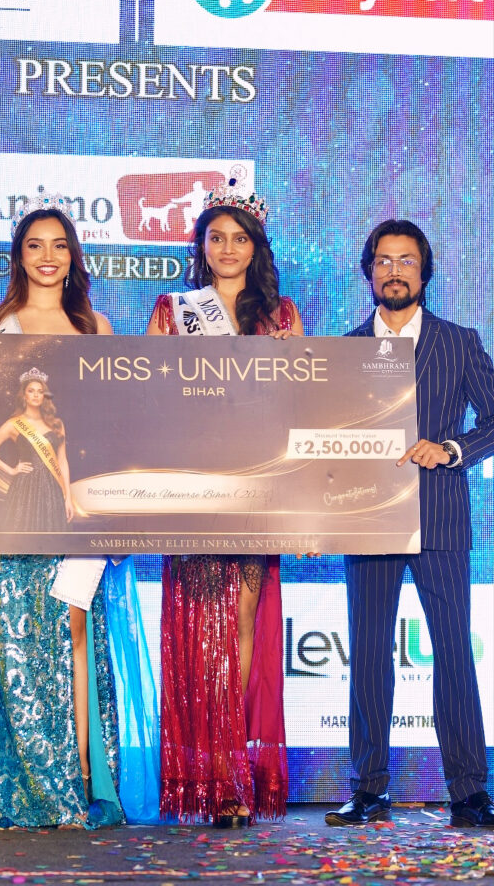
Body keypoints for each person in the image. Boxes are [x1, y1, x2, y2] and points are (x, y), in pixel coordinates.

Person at [0, 194, 159, 828]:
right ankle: (30, 779)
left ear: (73, 256)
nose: (48, 256)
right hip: (7, 510)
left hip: (75, 506)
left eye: (60, 245)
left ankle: (82, 779)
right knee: (14, 640)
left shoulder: (95, 329)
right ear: (19, 255)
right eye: (35, 245)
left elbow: (113, 424)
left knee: (73, 629)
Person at [325, 218, 494, 829]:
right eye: (383, 260)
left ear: (424, 272)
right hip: (367, 517)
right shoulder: (343, 351)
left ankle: (469, 792)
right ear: (368, 271)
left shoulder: (459, 342)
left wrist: (451, 449)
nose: (394, 271)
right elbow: (322, 440)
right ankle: (368, 789)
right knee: (368, 653)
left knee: (453, 652)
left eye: (406, 261)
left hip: (440, 516)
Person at [146, 179, 302, 827]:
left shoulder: (282, 316)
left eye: (240, 238)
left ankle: (232, 772)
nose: (228, 248)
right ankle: (206, 771)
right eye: (217, 238)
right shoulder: (172, 311)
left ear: (256, 247)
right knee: (195, 629)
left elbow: (299, 406)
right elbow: (147, 397)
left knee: (239, 625)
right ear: (201, 246)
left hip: (257, 486)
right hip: (194, 483)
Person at [0, 369, 73, 533]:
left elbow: (62, 461)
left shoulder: (57, 424)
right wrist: (11, 470)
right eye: (31, 391)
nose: (36, 395)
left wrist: (68, 497)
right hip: (26, 488)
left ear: (45, 396)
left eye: (40, 391)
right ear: (24, 395)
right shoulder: (13, 424)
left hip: (53, 488)